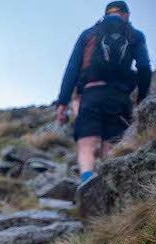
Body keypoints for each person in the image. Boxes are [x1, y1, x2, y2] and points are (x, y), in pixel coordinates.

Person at [56, 1, 151, 185]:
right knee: (112, 145)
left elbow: (72, 68)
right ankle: (108, 188)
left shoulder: (89, 34)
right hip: (120, 96)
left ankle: (86, 182)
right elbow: (145, 68)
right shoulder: (135, 35)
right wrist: (141, 99)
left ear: (106, 14)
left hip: (92, 93)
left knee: (87, 142)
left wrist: (62, 102)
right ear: (127, 15)